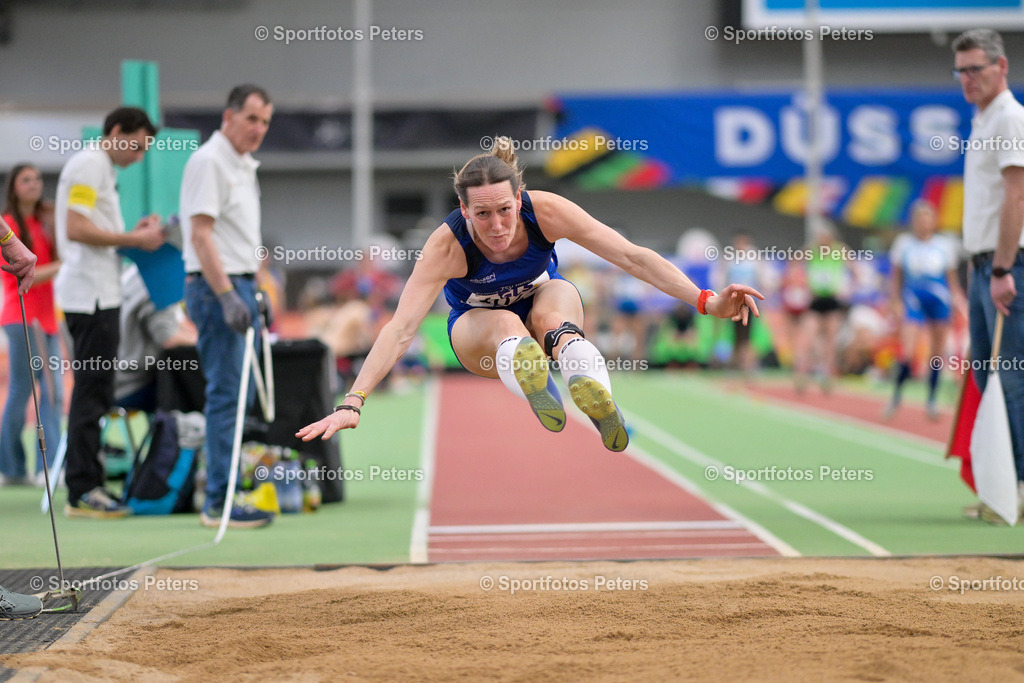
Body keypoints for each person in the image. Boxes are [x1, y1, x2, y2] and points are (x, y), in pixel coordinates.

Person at [298, 138, 762, 449]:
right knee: (507, 324)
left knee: (557, 302)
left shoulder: (548, 212)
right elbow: (400, 328)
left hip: (541, 310)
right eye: (482, 215)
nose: (497, 227)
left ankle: (590, 388)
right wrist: (351, 402)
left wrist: (707, 301)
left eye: (505, 210)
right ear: (463, 209)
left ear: (520, 199)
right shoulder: (444, 245)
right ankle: (537, 377)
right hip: (479, 336)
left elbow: (632, 257)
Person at [54, 107, 166, 518]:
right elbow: (75, 228)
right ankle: (83, 490)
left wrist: (133, 234)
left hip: (100, 294)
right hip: (91, 299)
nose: (139, 156)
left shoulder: (100, 167)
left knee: (96, 393)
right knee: (92, 393)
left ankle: (87, 484)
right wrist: (134, 240)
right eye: (135, 146)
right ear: (116, 132)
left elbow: (93, 229)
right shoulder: (88, 165)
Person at [181, 84, 274, 529]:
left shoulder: (241, 164)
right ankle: (218, 501)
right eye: (252, 119)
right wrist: (225, 294)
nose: (259, 129)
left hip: (238, 283)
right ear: (229, 116)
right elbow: (201, 235)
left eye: (266, 122)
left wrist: (254, 292)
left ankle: (225, 491)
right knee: (226, 396)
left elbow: (237, 240)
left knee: (240, 397)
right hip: (215, 287)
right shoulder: (210, 161)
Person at [952, 29, 1024, 523]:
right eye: (960, 70)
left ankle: (1015, 487)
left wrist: (1001, 267)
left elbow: (1016, 198)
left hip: (1005, 265)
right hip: (983, 265)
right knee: (989, 376)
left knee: (1012, 378)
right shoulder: (982, 121)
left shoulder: (1010, 119)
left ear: (1001, 67)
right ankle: (1002, 486)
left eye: (975, 68)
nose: (966, 79)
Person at [1, 164, 62, 486]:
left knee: (47, 393)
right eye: (26, 180)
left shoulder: (44, 223)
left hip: (47, 319)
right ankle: (26, 467)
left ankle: (29, 467)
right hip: (21, 317)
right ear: (13, 186)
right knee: (32, 392)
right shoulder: (7, 225)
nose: (35, 184)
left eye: (38, 178)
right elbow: (27, 275)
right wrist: (63, 266)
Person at [885, 200, 965, 420]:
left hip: (939, 300)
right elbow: (896, 276)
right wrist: (894, 301)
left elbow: (952, 279)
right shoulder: (903, 243)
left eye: (927, 218)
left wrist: (958, 301)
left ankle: (931, 400)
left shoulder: (944, 245)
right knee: (908, 351)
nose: (923, 222)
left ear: (934, 221)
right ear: (913, 221)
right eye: (919, 218)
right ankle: (896, 395)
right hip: (913, 299)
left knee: (936, 353)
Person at [114, 263, 198, 412]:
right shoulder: (159, 282)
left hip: (112, 379)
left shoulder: (134, 274)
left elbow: (174, 324)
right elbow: (167, 338)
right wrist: (202, 342)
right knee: (195, 383)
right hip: (131, 384)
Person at [796, 220, 850, 394]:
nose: (823, 240)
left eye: (825, 237)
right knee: (808, 338)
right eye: (820, 237)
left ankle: (827, 376)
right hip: (816, 300)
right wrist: (801, 282)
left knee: (830, 342)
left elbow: (856, 268)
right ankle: (802, 374)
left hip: (832, 300)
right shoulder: (812, 250)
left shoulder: (838, 250)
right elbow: (794, 261)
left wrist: (848, 286)